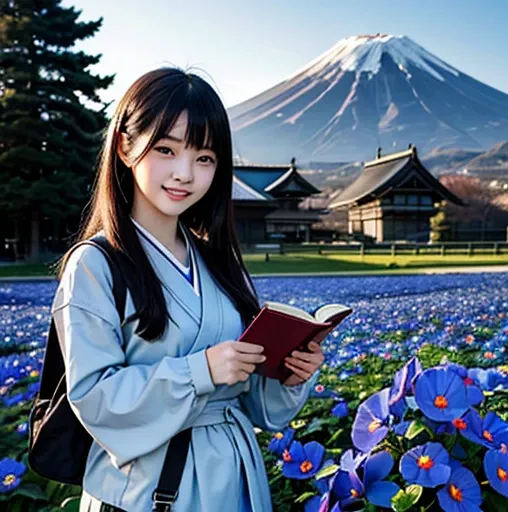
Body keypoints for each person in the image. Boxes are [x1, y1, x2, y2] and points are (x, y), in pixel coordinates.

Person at [52, 67, 325, 512]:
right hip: (147, 490)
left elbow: (257, 406)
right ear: (125, 147)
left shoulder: (218, 261)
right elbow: (94, 399)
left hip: (235, 479)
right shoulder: (96, 265)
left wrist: (289, 374)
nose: (185, 174)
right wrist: (201, 371)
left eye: (204, 158)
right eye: (166, 149)